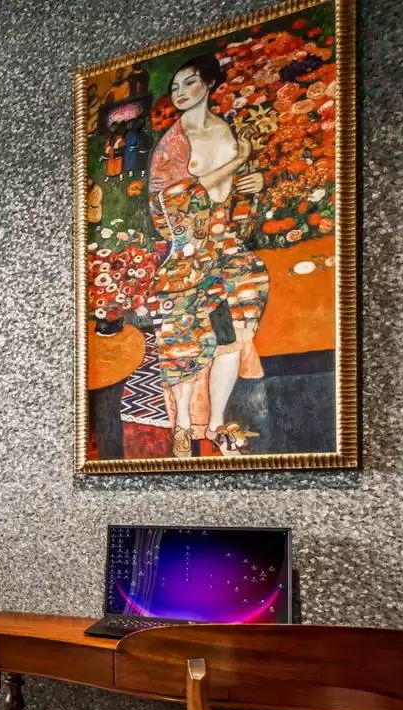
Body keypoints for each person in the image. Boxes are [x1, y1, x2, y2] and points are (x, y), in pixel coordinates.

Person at [146, 53, 268, 457]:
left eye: (190, 83)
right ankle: (183, 424)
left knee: (231, 340)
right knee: (183, 343)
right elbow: (170, 201)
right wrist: (237, 163)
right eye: (174, 87)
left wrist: (252, 184)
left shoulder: (227, 132)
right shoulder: (172, 144)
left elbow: (235, 200)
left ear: (210, 83)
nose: (180, 92)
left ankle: (216, 424)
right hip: (189, 253)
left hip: (228, 251)